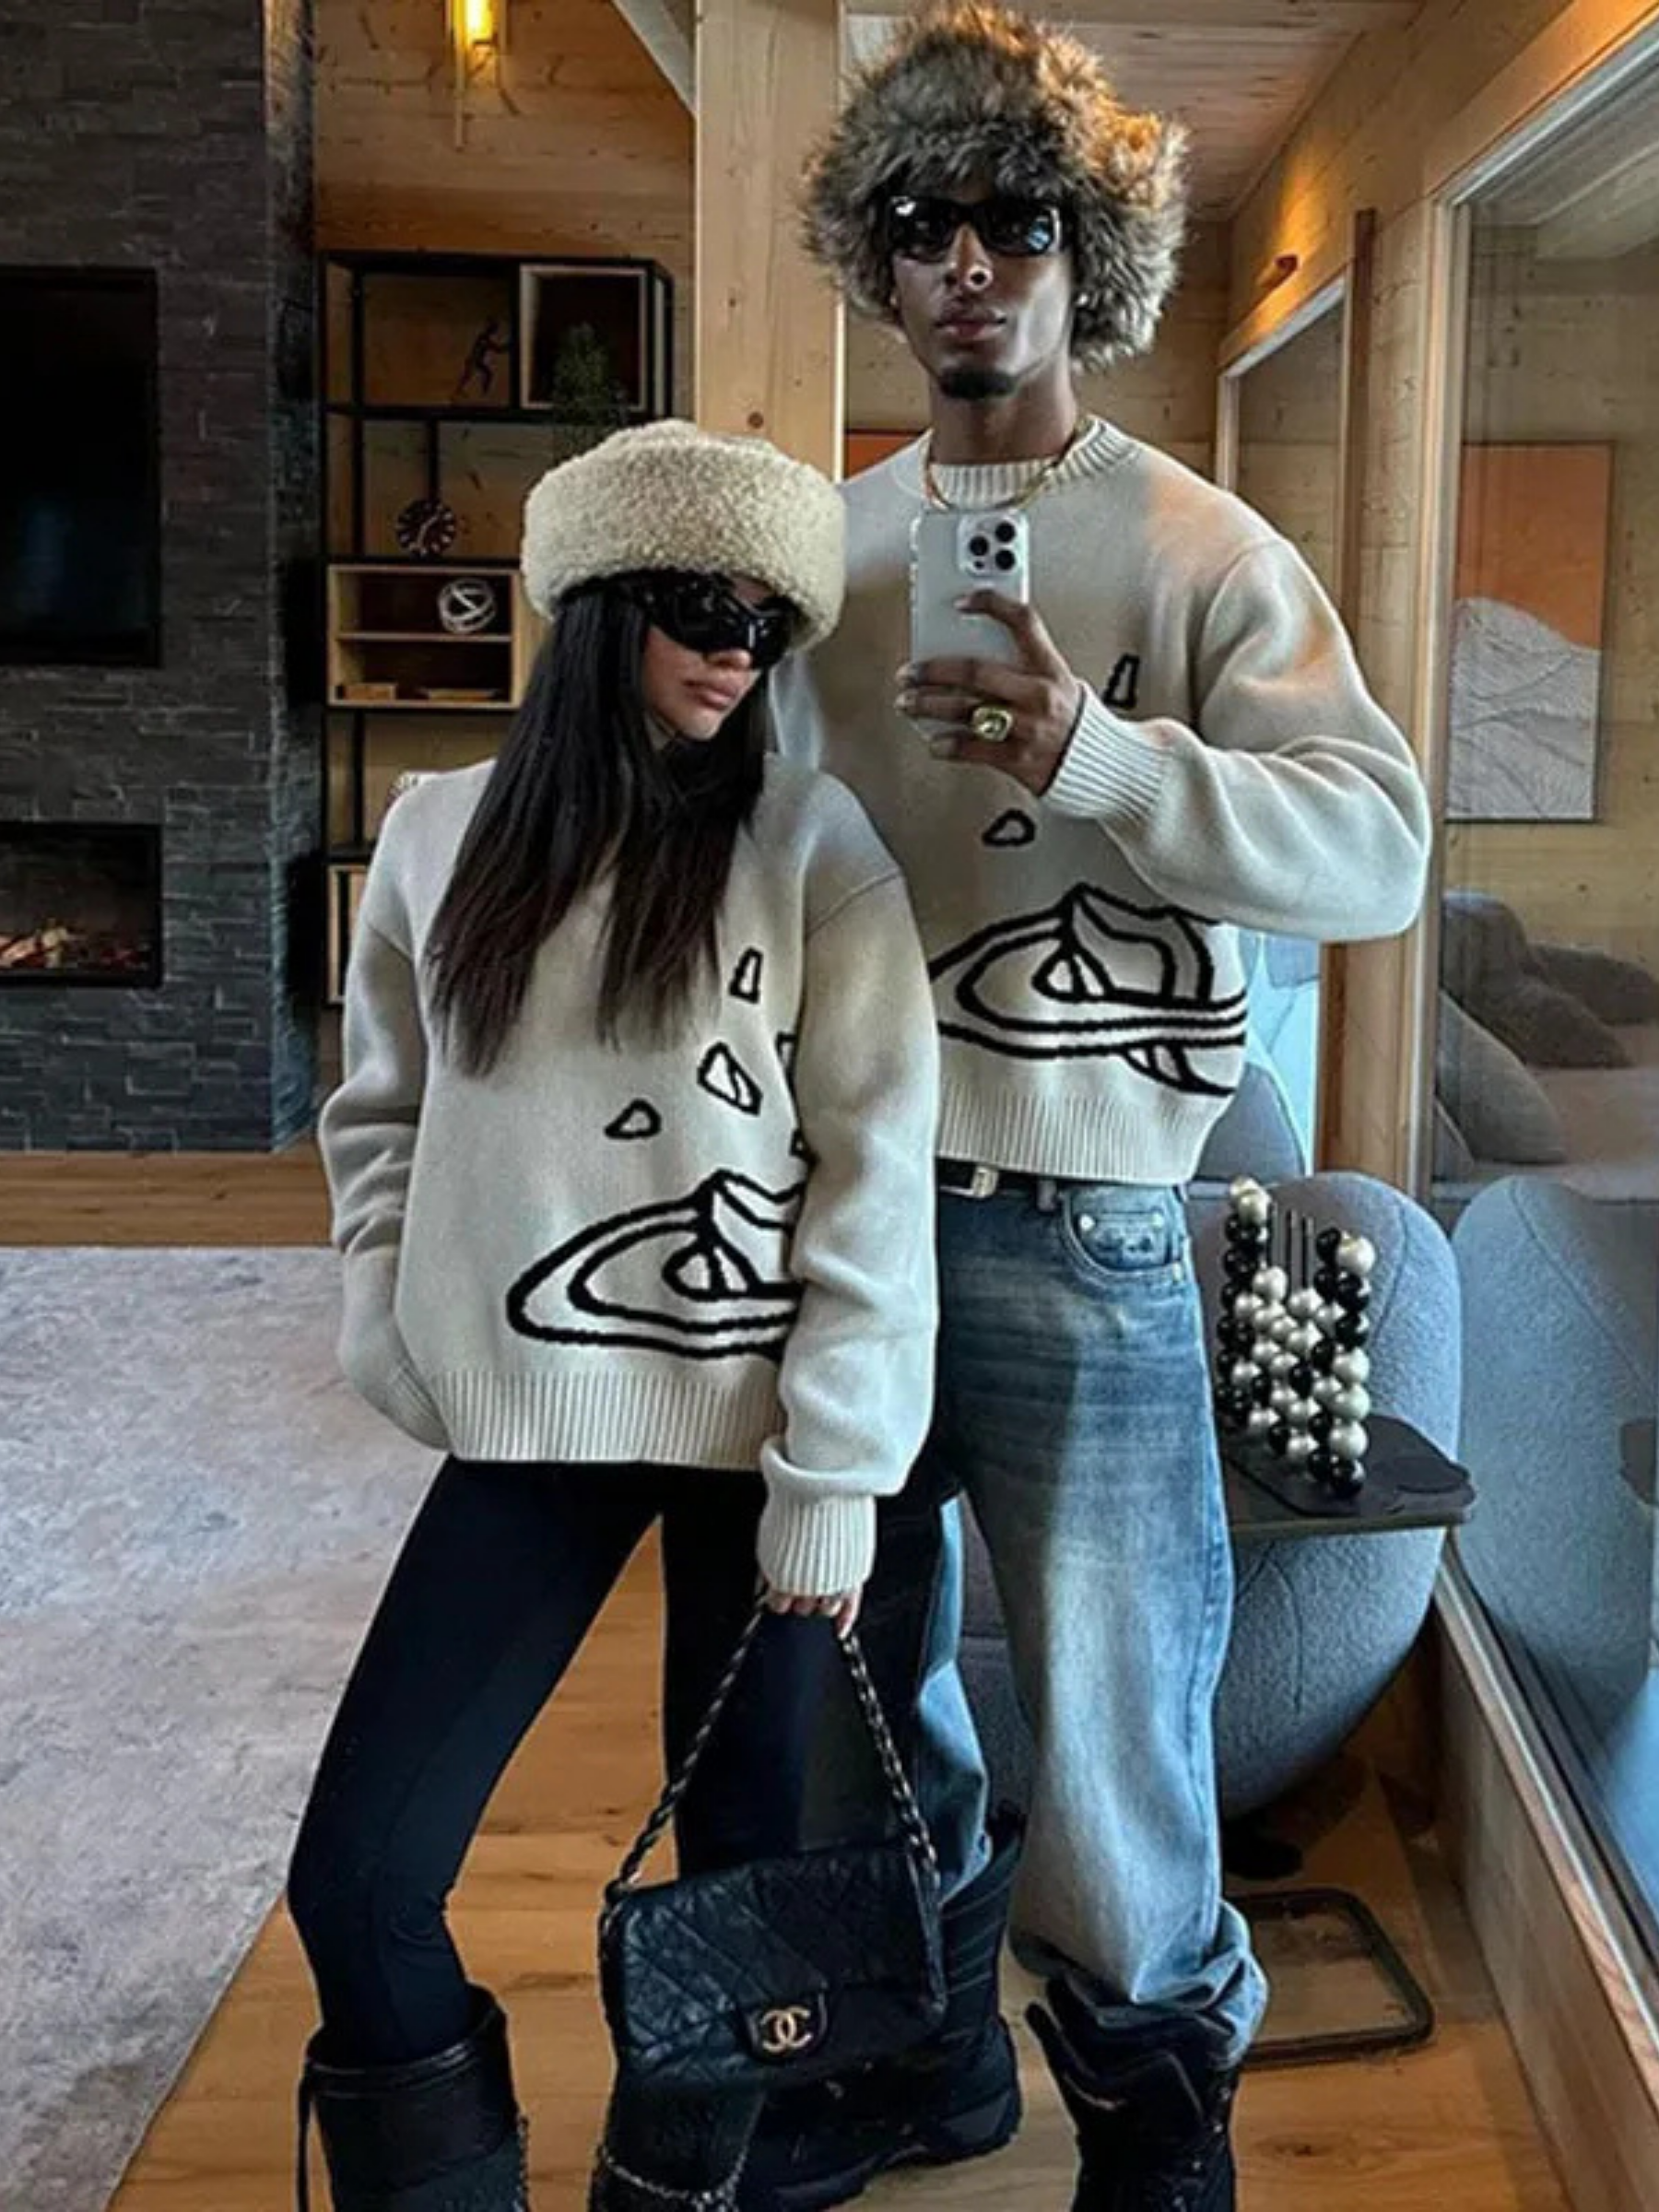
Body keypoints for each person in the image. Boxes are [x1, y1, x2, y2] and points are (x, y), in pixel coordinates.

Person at [753, 7, 1434, 2210]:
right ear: (876, 259)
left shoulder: (1204, 549)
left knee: (1123, 1723)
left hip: (1092, 1225)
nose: (969, 260)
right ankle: (934, 2060)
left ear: (1090, 254)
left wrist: (1104, 758)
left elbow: (1380, 851)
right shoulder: (819, 553)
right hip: (849, 1219)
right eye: (922, 219)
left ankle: (1155, 2120)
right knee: (863, 1691)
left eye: (1018, 219)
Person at [288, 420, 942, 2212]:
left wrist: (839, 1474)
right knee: (357, 1880)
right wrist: (384, 1307)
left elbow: (874, 1178)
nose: (738, 648)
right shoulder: (438, 834)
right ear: (595, 607)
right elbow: (378, 1106)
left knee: (737, 1910)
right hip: (529, 1422)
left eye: (766, 619)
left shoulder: (814, 844)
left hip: (762, 1444)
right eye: (699, 605)